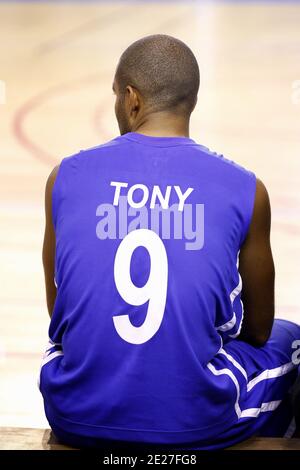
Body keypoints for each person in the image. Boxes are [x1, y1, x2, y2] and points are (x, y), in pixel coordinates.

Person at [41, 34, 300, 450]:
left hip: (74, 414)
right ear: (190, 101)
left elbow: (60, 312)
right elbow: (258, 329)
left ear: (131, 99)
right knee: (291, 339)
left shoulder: (64, 177)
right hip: (196, 424)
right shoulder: (247, 188)